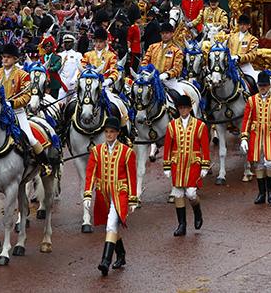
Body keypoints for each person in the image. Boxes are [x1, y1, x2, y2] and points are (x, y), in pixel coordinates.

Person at [84, 116, 137, 276]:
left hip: (119, 194)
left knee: (111, 225)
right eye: (106, 132)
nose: (109, 135)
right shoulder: (97, 150)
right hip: (103, 194)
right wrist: (87, 194)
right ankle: (121, 254)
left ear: (118, 133)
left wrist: (133, 197)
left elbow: (131, 176)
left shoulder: (127, 152)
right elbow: (91, 173)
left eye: (112, 132)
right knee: (110, 226)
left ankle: (105, 261)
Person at [0, 44, 48, 165]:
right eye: (4, 57)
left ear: (15, 59)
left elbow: (27, 96)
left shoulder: (23, 75)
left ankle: (44, 164)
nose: (5, 59)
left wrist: (12, 103)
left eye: (8, 57)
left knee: (30, 138)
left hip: (17, 112)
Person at [163, 95, 210, 236]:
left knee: (191, 193)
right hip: (177, 164)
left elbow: (205, 147)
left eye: (185, 108)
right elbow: (167, 147)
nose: (183, 110)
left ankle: (197, 211)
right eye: (181, 108)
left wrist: (205, 165)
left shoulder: (200, 125)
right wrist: (166, 165)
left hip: (193, 163)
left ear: (190, 109)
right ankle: (182, 225)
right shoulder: (171, 125)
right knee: (178, 193)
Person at [240, 71, 271, 204]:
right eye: (261, 86)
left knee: (270, 164)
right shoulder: (251, 100)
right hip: (256, 136)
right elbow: (247, 120)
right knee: (259, 165)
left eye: (265, 86)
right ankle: (261, 193)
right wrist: (244, 137)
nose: (263, 88)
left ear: (269, 86)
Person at [141, 22, 183, 91]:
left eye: (167, 33)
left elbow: (177, 68)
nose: (164, 35)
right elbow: (144, 62)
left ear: (172, 34)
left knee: (180, 96)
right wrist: (145, 72)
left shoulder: (177, 51)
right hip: (152, 79)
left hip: (169, 82)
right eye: (163, 33)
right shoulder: (152, 47)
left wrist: (167, 74)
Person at [229, 15, 260, 84]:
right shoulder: (232, 37)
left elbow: (252, 55)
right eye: (240, 24)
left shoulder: (252, 39)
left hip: (244, 66)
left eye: (244, 24)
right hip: (231, 65)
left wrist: (239, 57)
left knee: (256, 80)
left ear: (249, 26)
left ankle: (256, 94)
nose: (242, 26)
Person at [58, 34, 83, 99]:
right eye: (65, 42)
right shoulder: (60, 55)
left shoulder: (77, 55)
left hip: (73, 85)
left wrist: (74, 79)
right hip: (62, 85)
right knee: (60, 104)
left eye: (69, 42)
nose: (66, 44)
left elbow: (79, 69)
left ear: (72, 44)